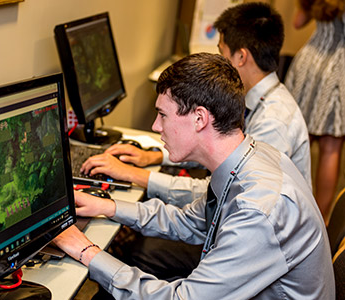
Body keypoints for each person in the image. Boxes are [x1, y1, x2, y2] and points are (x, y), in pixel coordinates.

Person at [54, 52, 334, 299]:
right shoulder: (249, 157)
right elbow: (190, 221)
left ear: (199, 118)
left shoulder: (258, 209)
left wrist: (85, 250)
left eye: (162, 115)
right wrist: (108, 207)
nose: (155, 126)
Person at [81, 2, 312, 197]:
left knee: (144, 245)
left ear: (241, 57)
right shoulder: (261, 101)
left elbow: (223, 193)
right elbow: (220, 151)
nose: (218, 60)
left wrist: (134, 174)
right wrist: (154, 156)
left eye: (222, 52)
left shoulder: (274, 122)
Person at [284, 0, 345, 222]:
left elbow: (298, 22)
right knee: (331, 147)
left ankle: (285, 207)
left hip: (309, 63)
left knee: (298, 138)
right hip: (338, 68)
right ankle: (319, 220)